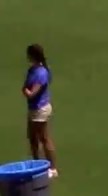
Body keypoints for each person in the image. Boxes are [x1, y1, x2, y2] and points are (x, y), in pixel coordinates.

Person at [22, 44, 57, 178]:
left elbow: (32, 93)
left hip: (40, 109)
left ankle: (53, 168)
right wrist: (26, 90)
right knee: (32, 138)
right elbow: (26, 87)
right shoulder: (32, 70)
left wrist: (26, 91)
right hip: (33, 109)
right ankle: (37, 166)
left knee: (44, 138)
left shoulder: (41, 73)